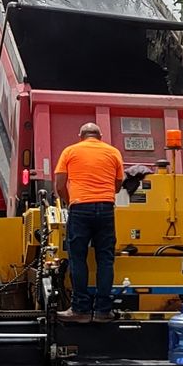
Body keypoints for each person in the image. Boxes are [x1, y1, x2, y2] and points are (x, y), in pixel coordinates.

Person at [52, 122, 127, 323]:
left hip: (79, 208)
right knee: (105, 258)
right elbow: (119, 184)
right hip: (105, 208)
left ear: (80, 135)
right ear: (100, 136)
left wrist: (70, 202)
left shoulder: (70, 151)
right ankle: (103, 310)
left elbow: (59, 184)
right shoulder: (113, 153)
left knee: (78, 258)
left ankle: (80, 309)